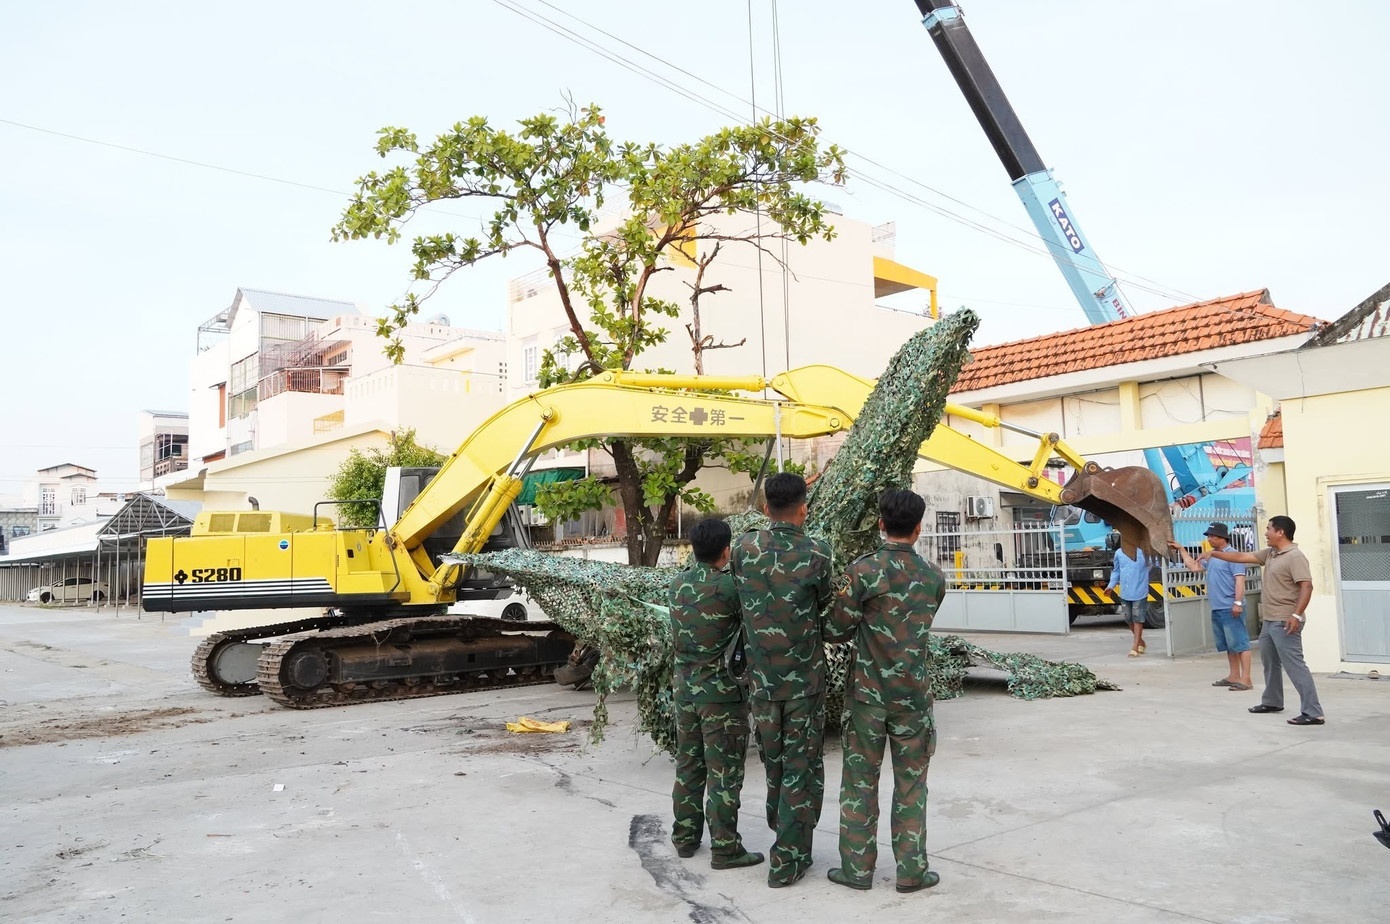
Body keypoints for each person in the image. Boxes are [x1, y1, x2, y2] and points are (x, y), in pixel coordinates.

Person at [822, 489, 945, 894]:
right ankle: (911, 872)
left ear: (880, 524)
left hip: (868, 698)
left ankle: (856, 871)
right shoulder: (933, 577)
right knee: (912, 785)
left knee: (859, 783)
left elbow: (836, 630)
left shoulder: (863, 572)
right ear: (919, 528)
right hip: (914, 698)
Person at [730, 472, 834, 888]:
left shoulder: (743, 548)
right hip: (804, 683)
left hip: (762, 683)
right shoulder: (818, 553)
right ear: (803, 506)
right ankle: (789, 857)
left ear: (764, 507)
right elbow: (830, 611)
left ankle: (786, 837)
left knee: (775, 765)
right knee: (801, 767)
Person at [667, 517, 764, 870]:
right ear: (727, 550)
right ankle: (725, 848)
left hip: (685, 691)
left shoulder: (677, 585)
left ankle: (685, 837)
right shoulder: (731, 588)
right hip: (721, 696)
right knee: (723, 772)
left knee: (688, 765)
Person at [1205, 515, 1324, 725]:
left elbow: (1307, 586)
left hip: (1285, 620)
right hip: (1270, 620)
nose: (1266, 533)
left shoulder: (1294, 556)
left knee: (1295, 666)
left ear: (1281, 532)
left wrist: (1296, 615)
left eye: (1269, 529)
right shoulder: (1270, 553)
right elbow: (1242, 557)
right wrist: (1214, 553)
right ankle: (1272, 701)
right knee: (1270, 663)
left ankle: (1313, 711)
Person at [1168, 522, 1251, 690]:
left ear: (1222, 538)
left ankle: (1246, 679)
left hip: (1230, 606)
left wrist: (1237, 602)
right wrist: (1182, 550)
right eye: (1208, 536)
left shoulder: (1234, 555)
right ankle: (1234, 675)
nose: (1209, 539)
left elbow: (1240, 580)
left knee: (1240, 643)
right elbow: (1194, 567)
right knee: (1229, 644)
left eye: (1212, 536)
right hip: (1218, 607)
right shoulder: (1213, 556)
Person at [1106, 544, 1152, 656]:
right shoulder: (1119, 553)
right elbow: (1116, 571)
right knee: (1128, 618)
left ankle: (1135, 646)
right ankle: (1141, 642)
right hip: (1125, 592)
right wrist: (1111, 585)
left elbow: (1157, 563)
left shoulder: (1144, 552)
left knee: (1138, 618)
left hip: (1140, 590)